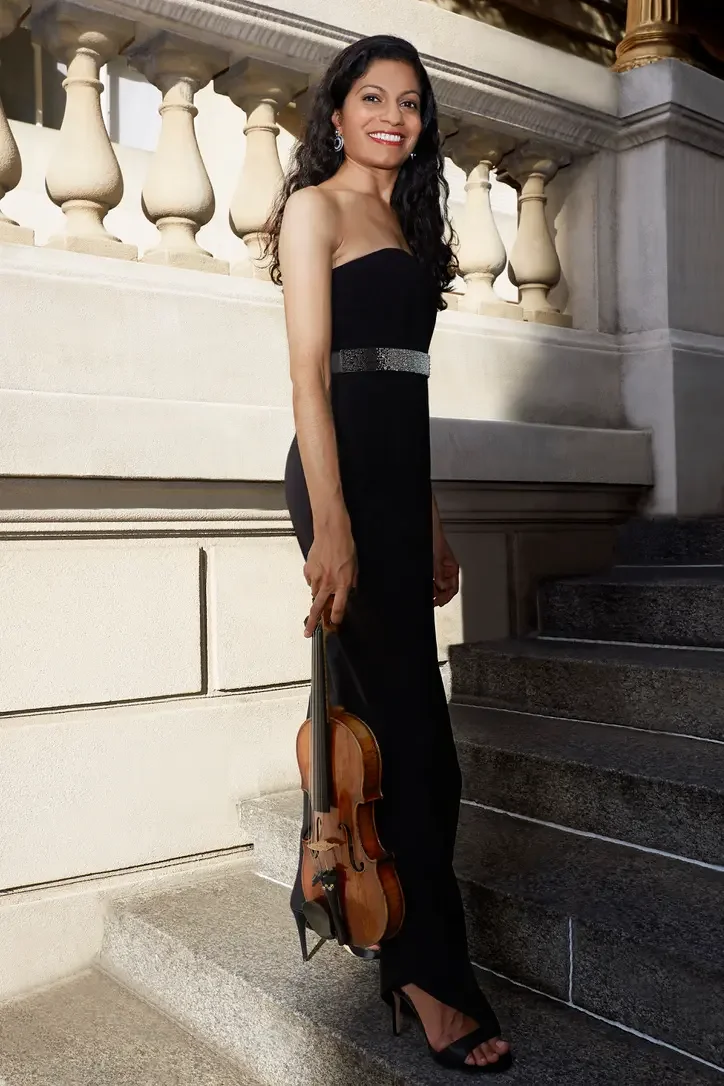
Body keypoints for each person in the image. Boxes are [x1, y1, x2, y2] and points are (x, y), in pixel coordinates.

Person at [264, 34, 513, 1075]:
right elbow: (312, 382)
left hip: (397, 494)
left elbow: (402, 397)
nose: (393, 116)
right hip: (337, 491)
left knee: (422, 748)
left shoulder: (406, 226)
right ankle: (425, 976)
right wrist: (334, 525)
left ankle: (407, 953)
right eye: (373, 97)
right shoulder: (314, 207)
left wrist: (434, 523)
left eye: (409, 103)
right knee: (415, 747)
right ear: (336, 111)